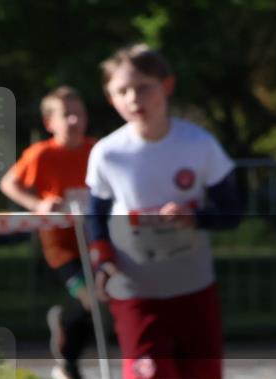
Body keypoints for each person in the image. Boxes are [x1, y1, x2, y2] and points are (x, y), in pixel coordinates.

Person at [86, 44, 241, 379]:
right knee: (149, 373)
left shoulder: (199, 144)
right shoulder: (107, 153)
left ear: (167, 86)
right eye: (122, 91)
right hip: (135, 289)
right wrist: (103, 257)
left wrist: (195, 216)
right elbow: (95, 214)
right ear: (110, 98)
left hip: (193, 286)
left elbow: (232, 211)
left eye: (143, 87)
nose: (133, 99)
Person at [0, 86, 97, 379]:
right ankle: (67, 353)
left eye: (78, 114)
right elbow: (9, 183)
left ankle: (68, 356)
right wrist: (38, 204)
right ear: (49, 123)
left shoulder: (98, 150)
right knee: (90, 297)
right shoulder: (41, 154)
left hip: (95, 236)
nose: (73, 121)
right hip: (60, 243)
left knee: (101, 299)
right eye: (65, 115)